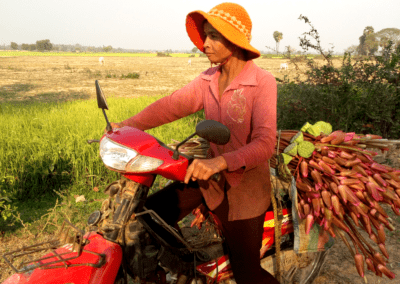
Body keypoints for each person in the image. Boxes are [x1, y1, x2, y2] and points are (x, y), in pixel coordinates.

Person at [108, 3, 278, 283]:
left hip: (244, 188)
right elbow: (171, 105)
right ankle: (176, 269)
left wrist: (219, 161)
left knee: (247, 274)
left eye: (213, 36)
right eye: (205, 36)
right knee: (148, 216)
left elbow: (265, 142)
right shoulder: (208, 79)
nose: (205, 44)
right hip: (210, 179)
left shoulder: (261, 82)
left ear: (233, 40)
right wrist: (128, 125)